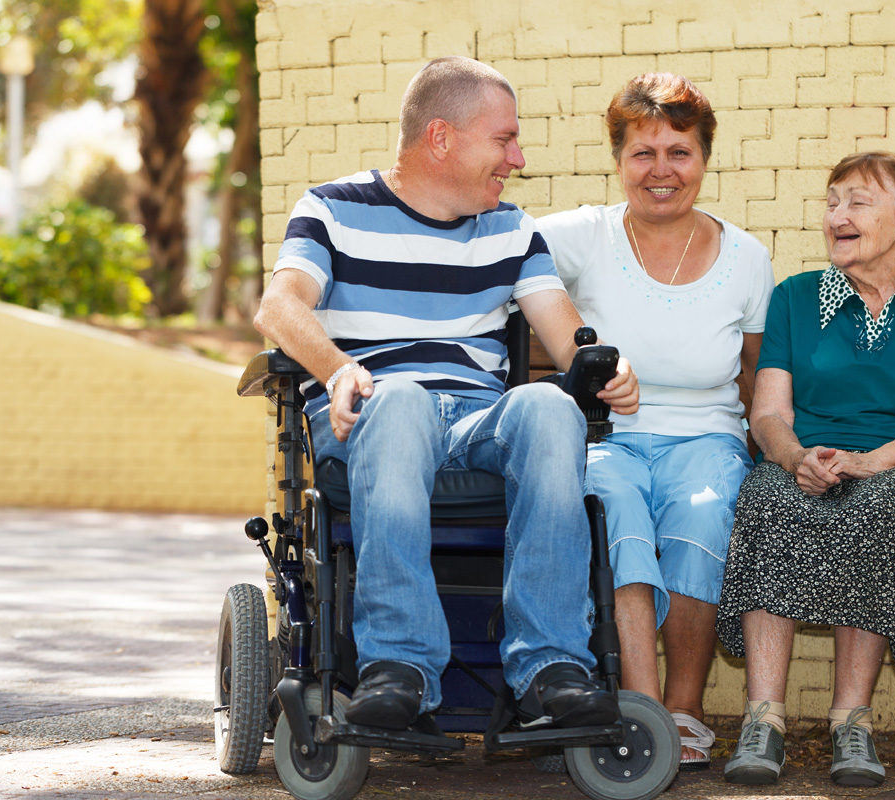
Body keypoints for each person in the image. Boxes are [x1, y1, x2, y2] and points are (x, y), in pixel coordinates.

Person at [253, 56, 640, 733]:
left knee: (550, 404)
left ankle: (550, 667)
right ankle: (398, 665)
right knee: (400, 401)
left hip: (475, 422)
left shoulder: (512, 229)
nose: (516, 158)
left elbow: (564, 330)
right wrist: (341, 368)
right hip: (371, 415)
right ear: (442, 137)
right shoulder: (333, 209)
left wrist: (602, 367)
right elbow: (279, 308)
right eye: (504, 139)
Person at [716, 151, 895, 787]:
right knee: (767, 497)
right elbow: (770, 411)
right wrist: (794, 456)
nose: (838, 214)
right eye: (832, 201)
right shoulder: (796, 298)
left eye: (858, 202)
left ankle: (851, 722)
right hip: (810, 460)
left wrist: (873, 461)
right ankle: (764, 717)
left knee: (882, 504)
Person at [536, 72, 774, 770]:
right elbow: (495, 245)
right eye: (644, 153)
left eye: (680, 152)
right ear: (618, 161)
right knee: (615, 510)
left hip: (708, 437)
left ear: (704, 160)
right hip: (608, 438)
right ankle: (644, 719)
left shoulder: (747, 258)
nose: (662, 171)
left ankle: (686, 710)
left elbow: (755, 373)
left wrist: (781, 452)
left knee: (702, 516)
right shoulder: (584, 236)